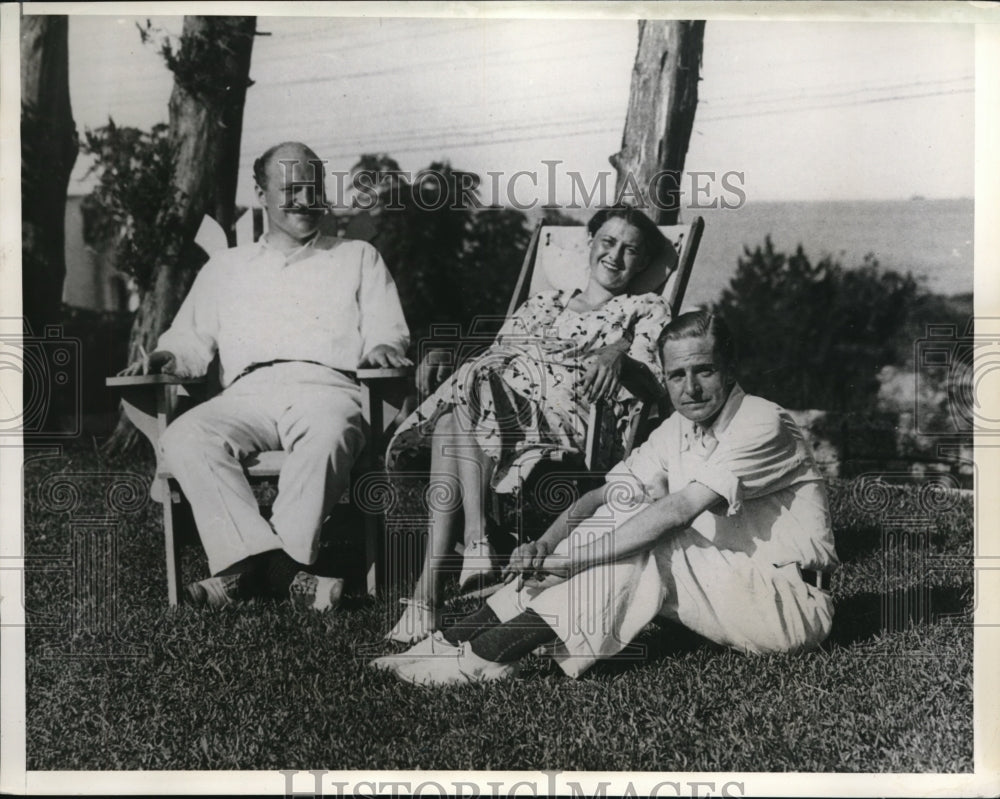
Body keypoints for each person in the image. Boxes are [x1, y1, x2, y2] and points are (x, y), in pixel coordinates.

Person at [373, 310, 839, 684]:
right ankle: (456, 641)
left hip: (789, 603)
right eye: (676, 376)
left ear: (731, 369)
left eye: (705, 371)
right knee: (623, 509)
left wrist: (575, 563)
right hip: (725, 586)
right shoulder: (678, 428)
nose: (690, 388)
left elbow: (676, 512)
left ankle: (485, 655)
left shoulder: (762, 420)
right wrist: (546, 545)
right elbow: (599, 497)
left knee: (655, 537)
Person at [120, 141, 411, 611]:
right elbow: (189, 339)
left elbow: (387, 330)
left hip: (327, 386)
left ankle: (247, 573)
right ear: (261, 193)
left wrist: (382, 347)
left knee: (332, 430)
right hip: (246, 392)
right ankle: (284, 574)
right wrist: (164, 357)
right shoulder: (226, 267)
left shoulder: (356, 256)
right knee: (186, 435)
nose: (304, 199)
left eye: (313, 188)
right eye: (291, 189)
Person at [383, 207, 674, 643]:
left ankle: (445, 577)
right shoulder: (544, 302)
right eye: (608, 242)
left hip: (572, 419)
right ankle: (440, 583)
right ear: (590, 244)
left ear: (644, 264)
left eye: (631, 250)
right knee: (462, 403)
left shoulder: (643, 308)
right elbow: (498, 355)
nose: (615, 256)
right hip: (503, 410)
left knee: (465, 396)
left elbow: (656, 379)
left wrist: (618, 353)